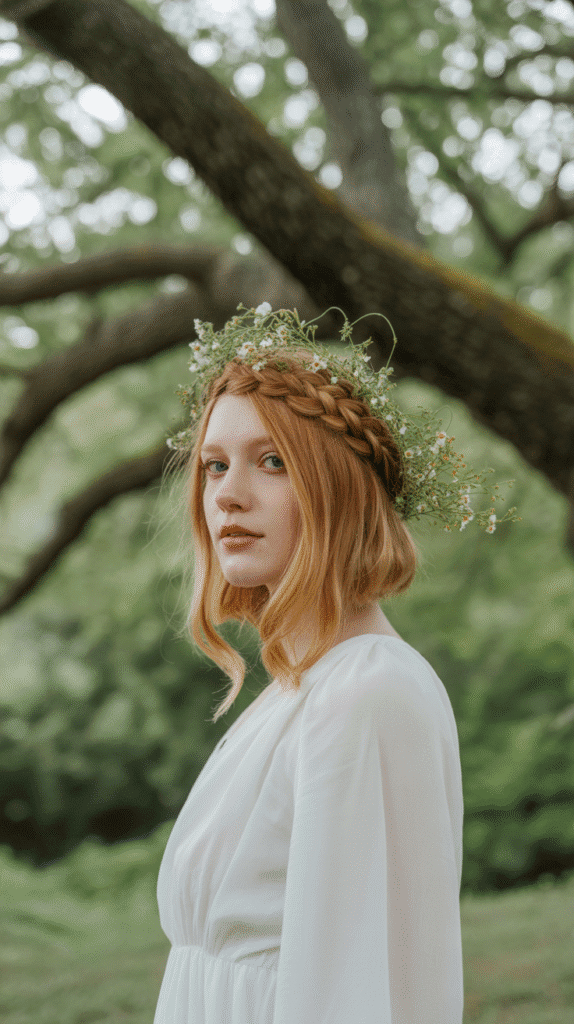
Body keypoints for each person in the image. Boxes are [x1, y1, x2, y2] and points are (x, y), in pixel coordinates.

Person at [154, 305, 514, 1024]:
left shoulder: (368, 693)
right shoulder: (299, 692)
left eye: (273, 462)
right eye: (215, 465)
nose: (226, 492)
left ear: (341, 492)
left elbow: (356, 992)